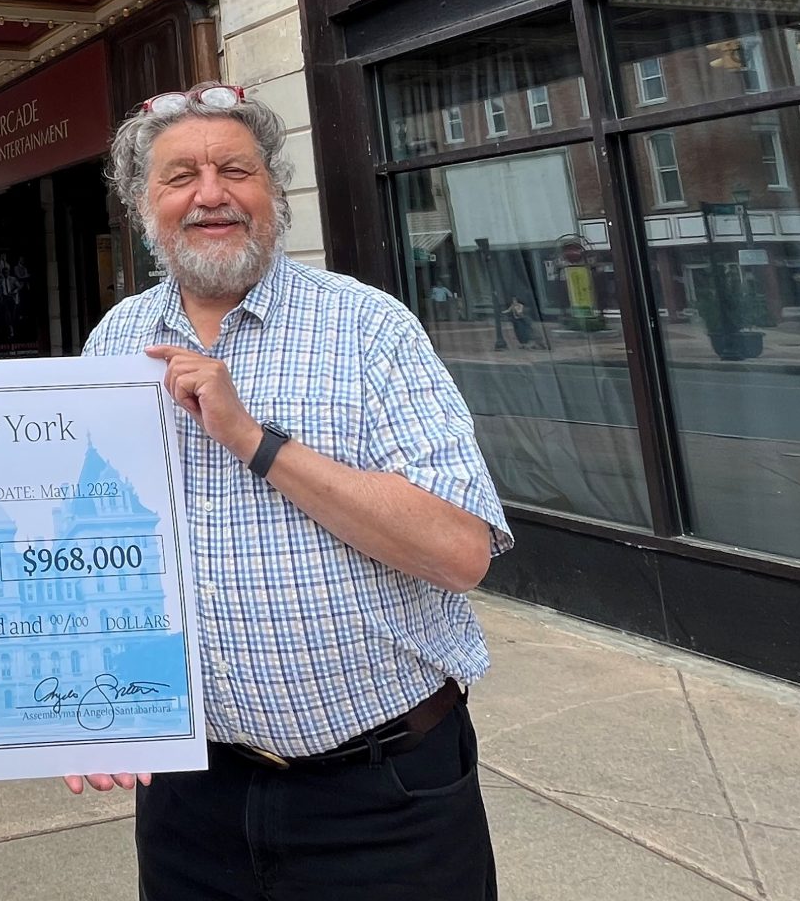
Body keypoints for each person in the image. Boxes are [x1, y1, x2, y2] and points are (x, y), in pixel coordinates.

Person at [72, 83, 511, 901]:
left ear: (273, 191)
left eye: (235, 170)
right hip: (192, 800)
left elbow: (459, 550)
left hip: (384, 798)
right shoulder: (113, 342)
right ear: (142, 206)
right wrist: (83, 698)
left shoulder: (370, 327)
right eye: (180, 177)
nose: (211, 194)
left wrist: (252, 438)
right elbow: (89, 549)